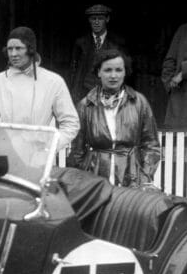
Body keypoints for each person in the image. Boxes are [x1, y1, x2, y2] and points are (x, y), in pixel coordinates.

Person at [0, 26, 80, 149]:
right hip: (7, 154)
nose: (13, 54)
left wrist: (50, 148)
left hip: (38, 156)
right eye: (10, 49)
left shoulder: (53, 81)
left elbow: (71, 123)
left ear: (30, 50)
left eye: (18, 48)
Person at [68, 49, 160, 188]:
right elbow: (77, 151)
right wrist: (79, 182)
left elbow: (151, 146)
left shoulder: (139, 102)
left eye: (118, 70)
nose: (113, 75)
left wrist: (145, 177)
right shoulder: (85, 105)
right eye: (107, 70)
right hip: (94, 179)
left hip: (132, 178)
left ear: (125, 72)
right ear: (98, 72)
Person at [70, 4, 126, 102]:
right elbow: (74, 72)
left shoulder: (117, 44)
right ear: (89, 20)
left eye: (100, 19)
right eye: (93, 19)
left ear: (107, 19)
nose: (96, 22)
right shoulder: (81, 43)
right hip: (85, 94)